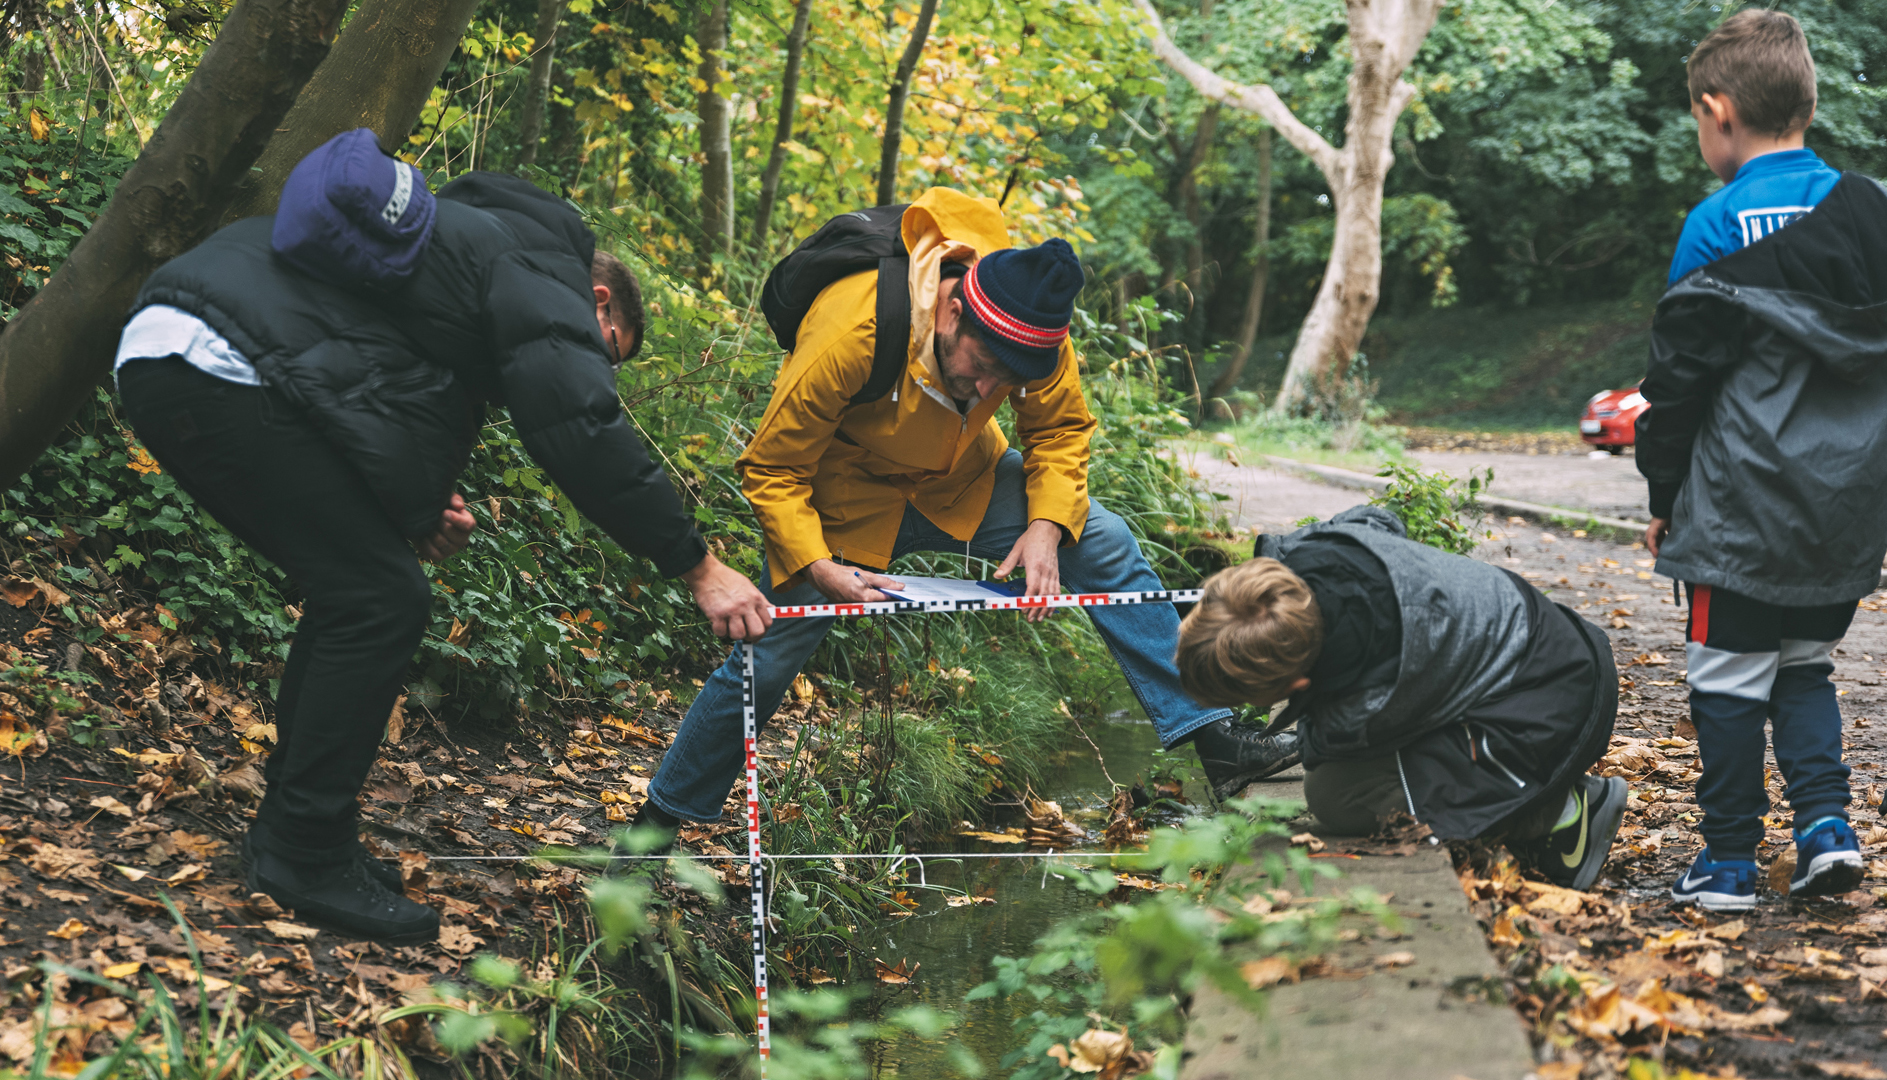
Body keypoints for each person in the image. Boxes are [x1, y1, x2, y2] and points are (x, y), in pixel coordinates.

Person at [114, 129, 772, 943]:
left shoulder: (464, 254)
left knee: (365, 587)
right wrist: (697, 564)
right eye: (608, 353)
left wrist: (416, 509)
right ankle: (300, 852)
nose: (599, 367)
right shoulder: (538, 276)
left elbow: (362, 377)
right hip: (220, 364)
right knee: (377, 599)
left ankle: (302, 833)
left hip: (190, 348)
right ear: (598, 304)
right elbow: (581, 426)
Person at [638, 187, 1292, 831]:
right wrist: (813, 563)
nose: (990, 389)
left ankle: (1215, 740)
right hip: (842, 499)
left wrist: (1044, 524)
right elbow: (773, 467)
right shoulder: (852, 327)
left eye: (1010, 381)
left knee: (1102, 540)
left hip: (962, 479)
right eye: (982, 368)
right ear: (952, 312)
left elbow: (1060, 430)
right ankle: (656, 828)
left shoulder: (1035, 331)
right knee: (767, 652)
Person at [1638, 10, 1886, 911]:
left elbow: (1676, 386)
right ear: (1805, 103)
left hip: (1740, 504)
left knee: (1727, 680)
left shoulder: (1714, 225)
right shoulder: (1871, 213)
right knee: (1804, 666)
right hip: (1845, 508)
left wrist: (1663, 495)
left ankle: (1728, 863)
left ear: (1717, 110)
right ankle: (1826, 830)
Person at [1175, 506, 1625, 891]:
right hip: (1559, 639)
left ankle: (1559, 813)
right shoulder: (1311, 553)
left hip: (1557, 700)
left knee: (1336, 794)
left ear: (1295, 685)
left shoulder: (1371, 693)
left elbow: (1325, 748)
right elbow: (1380, 519)